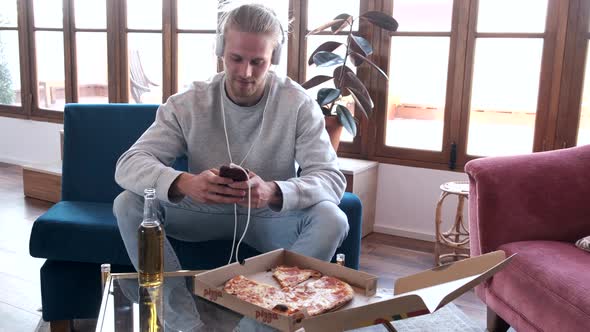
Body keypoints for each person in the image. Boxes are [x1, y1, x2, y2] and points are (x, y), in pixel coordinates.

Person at [113, 2, 347, 287]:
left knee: (332, 218)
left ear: (274, 57)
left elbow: (331, 179)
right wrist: (184, 183)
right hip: (201, 211)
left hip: (269, 216)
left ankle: (260, 322)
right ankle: (181, 323)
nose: (245, 72)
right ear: (220, 49)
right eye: (236, 58)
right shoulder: (188, 102)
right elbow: (128, 164)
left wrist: (274, 191)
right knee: (128, 203)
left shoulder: (297, 104)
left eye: (257, 61)